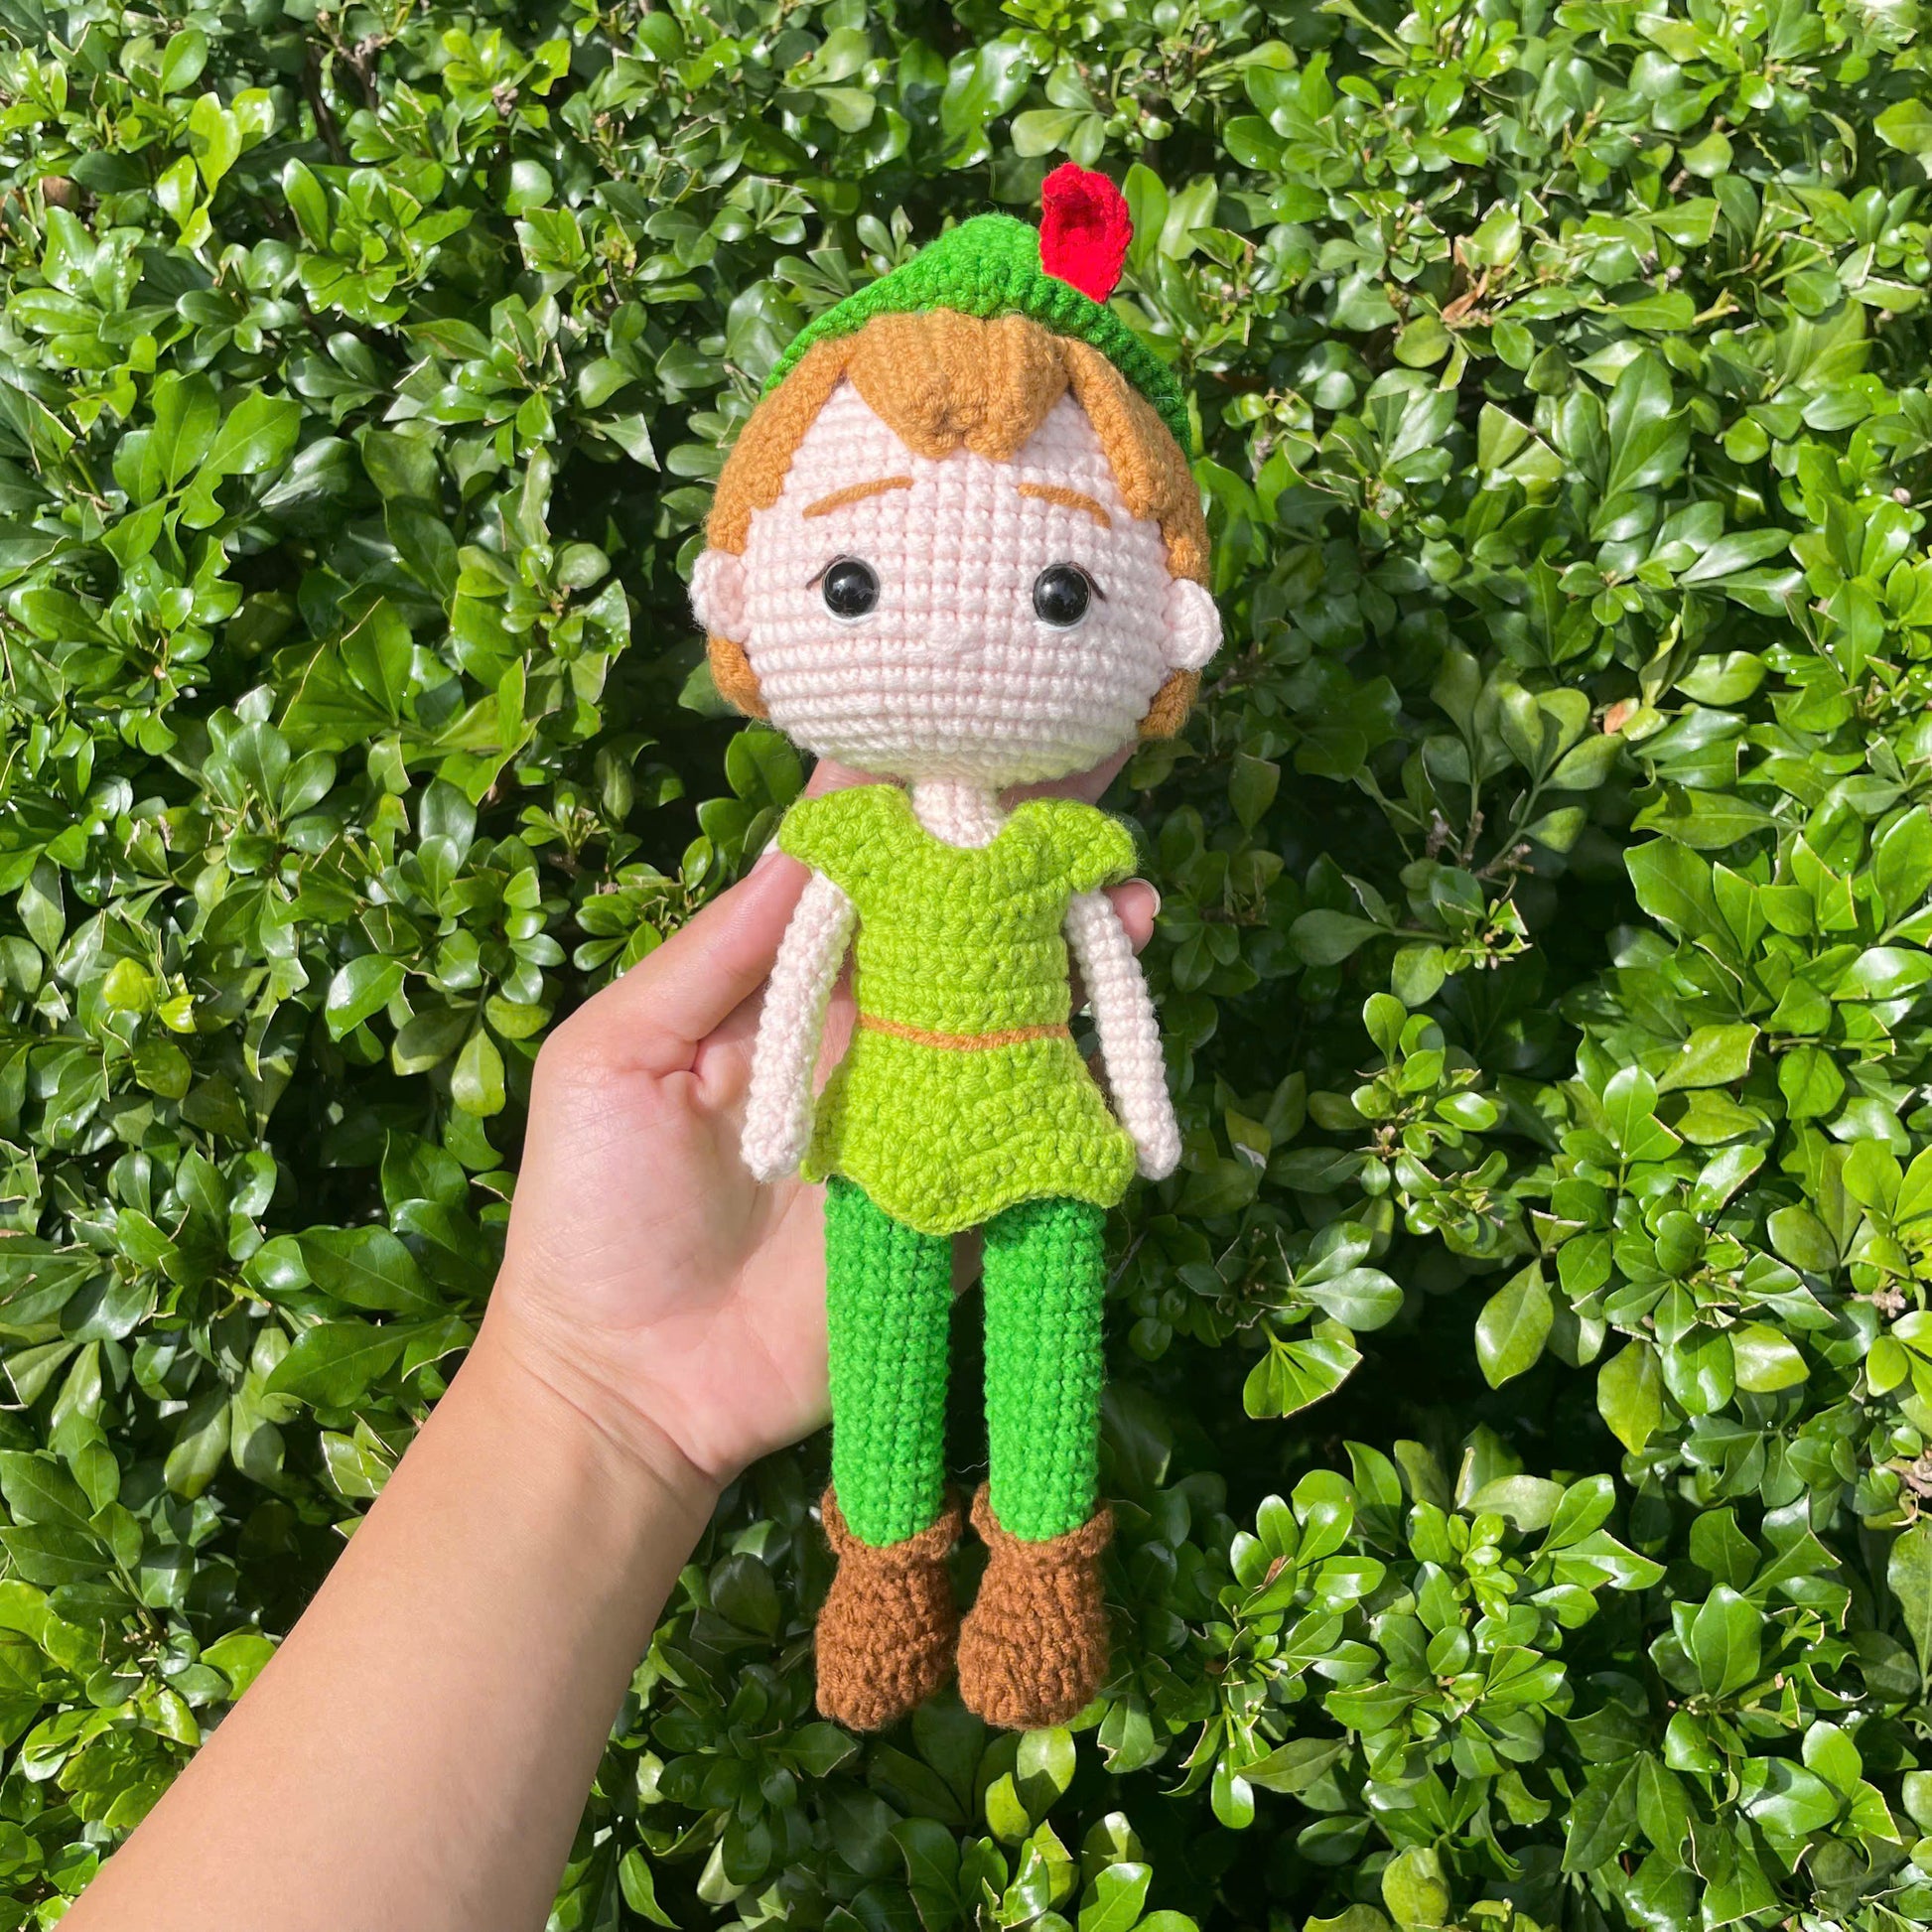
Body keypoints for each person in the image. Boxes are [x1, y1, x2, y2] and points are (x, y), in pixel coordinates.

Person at [63, 759, 1158, 1932]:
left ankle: (1043, 1577)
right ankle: (884, 1576)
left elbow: (1102, 974)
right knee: (896, 1371)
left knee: (1034, 1366)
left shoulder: (1045, 849)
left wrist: (1138, 1111)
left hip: (1030, 1131)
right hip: (882, 1139)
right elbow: (800, 978)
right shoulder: (874, 844)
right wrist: (775, 1118)